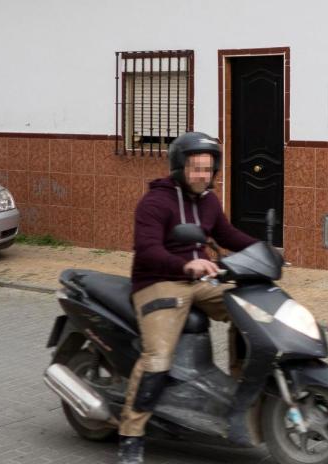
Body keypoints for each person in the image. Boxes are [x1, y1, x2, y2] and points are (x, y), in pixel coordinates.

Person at [117, 132, 257, 464]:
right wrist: (185, 264)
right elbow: (147, 251)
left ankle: (240, 384)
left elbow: (227, 234)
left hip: (201, 278)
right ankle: (131, 435)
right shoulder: (155, 202)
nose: (203, 176)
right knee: (157, 359)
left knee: (250, 311)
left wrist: (262, 252)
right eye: (196, 169)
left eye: (208, 169)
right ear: (180, 167)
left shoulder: (209, 200)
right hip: (160, 282)